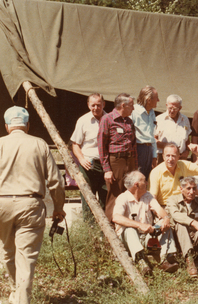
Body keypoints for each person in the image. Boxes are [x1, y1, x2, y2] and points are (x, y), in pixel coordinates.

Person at [0, 106, 66, 304]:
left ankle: (15, 293)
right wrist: (59, 207)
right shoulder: (40, 144)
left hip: (2, 203)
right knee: (26, 256)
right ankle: (22, 300)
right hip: (30, 204)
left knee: (7, 251)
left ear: (6, 126)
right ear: (27, 125)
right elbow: (55, 182)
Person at [112, 171, 178, 274]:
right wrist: (139, 225)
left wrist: (165, 218)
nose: (147, 183)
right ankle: (141, 260)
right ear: (136, 185)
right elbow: (116, 217)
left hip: (147, 236)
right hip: (129, 240)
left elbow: (159, 209)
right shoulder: (123, 198)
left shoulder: (148, 196)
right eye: (144, 181)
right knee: (129, 230)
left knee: (165, 225)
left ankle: (165, 259)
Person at [98, 93, 138, 221]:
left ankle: (128, 224)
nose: (133, 108)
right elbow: (101, 145)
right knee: (115, 194)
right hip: (116, 161)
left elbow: (133, 144)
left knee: (131, 192)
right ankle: (111, 226)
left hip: (130, 160)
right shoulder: (107, 119)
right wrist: (107, 169)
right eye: (131, 105)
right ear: (123, 105)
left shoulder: (129, 121)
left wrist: (135, 167)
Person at [71, 93, 107, 221]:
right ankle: (90, 231)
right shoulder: (83, 121)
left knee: (105, 197)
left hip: (106, 165)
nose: (96, 108)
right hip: (89, 164)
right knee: (88, 199)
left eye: (98, 105)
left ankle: (104, 232)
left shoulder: (110, 119)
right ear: (88, 105)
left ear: (104, 104)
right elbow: (75, 144)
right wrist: (81, 159)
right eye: (93, 105)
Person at [131, 86, 159, 179]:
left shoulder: (152, 112)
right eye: (156, 98)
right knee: (137, 179)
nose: (158, 100)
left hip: (149, 150)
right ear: (148, 100)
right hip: (139, 149)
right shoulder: (133, 111)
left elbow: (152, 135)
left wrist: (154, 155)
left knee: (147, 179)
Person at [155, 94, 191, 163]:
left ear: (180, 108)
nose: (172, 111)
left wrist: (187, 151)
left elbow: (187, 139)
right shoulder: (159, 119)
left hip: (181, 157)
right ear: (166, 105)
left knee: (181, 174)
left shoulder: (185, 119)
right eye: (170, 108)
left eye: (175, 109)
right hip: (164, 157)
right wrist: (169, 147)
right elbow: (154, 139)